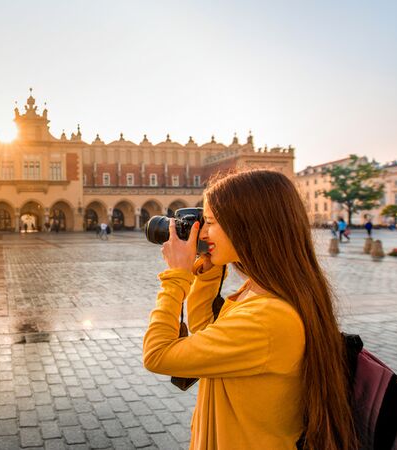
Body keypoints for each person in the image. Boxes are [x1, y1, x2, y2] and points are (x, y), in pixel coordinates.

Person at [143, 170, 356, 450]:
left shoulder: (268, 318)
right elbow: (207, 332)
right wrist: (207, 275)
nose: (202, 233)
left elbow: (158, 355)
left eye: (210, 222)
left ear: (248, 226)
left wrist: (176, 277)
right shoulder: (260, 290)